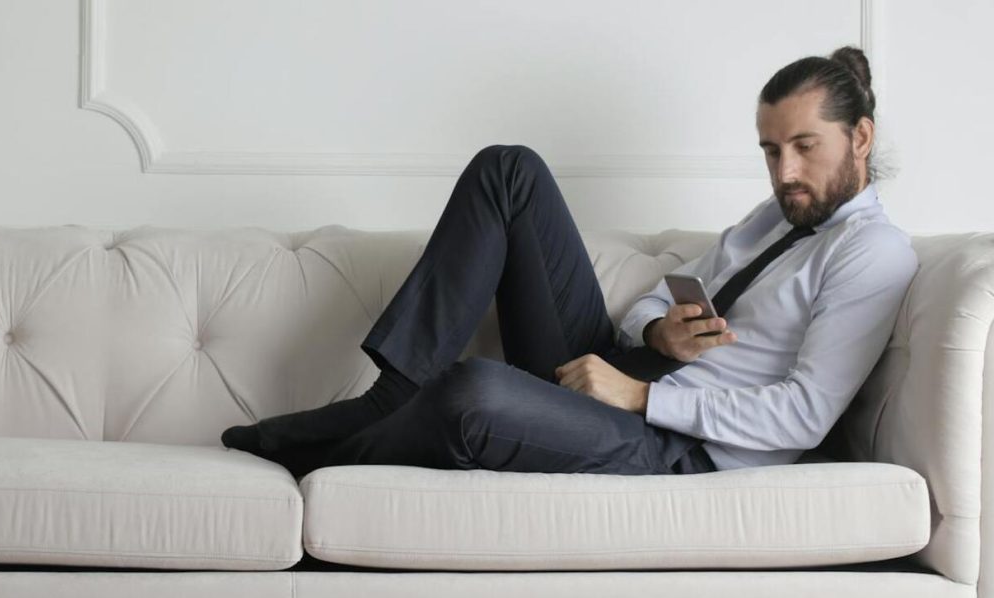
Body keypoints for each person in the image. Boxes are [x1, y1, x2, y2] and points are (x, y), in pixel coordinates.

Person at [222, 46, 918, 479]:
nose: (783, 170)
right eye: (769, 151)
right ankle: (397, 388)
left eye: (803, 147)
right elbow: (653, 301)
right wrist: (657, 336)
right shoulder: (777, 216)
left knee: (476, 393)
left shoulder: (871, 254)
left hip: (674, 442)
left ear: (860, 137)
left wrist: (641, 396)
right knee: (509, 171)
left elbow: (802, 416)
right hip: (622, 372)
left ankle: (330, 453)